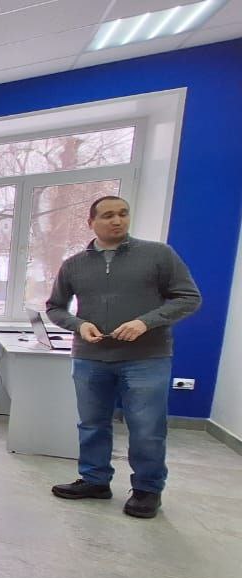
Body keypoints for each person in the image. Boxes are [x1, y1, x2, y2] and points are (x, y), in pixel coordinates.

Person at [46, 196, 201, 519]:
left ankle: (147, 490)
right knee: (92, 424)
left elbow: (188, 298)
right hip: (91, 356)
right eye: (107, 216)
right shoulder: (74, 264)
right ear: (91, 223)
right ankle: (95, 480)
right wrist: (79, 324)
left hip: (146, 357)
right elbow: (55, 307)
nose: (116, 221)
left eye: (122, 214)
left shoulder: (158, 255)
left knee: (146, 427)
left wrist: (146, 322)